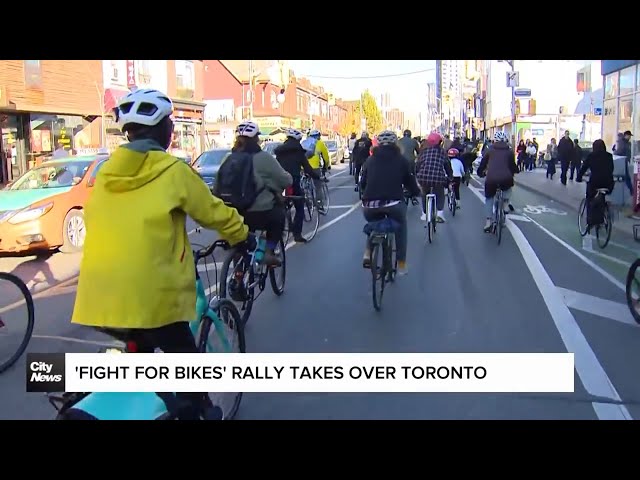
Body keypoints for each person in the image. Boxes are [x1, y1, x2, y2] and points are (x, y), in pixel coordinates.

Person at [71, 89, 251, 420]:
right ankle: (195, 410)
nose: (172, 129)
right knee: (186, 365)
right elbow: (213, 213)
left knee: (142, 354)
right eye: (170, 123)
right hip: (152, 299)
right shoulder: (173, 171)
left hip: (101, 299)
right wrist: (242, 235)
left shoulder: (106, 174)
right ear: (161, 130)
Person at [215, 121, 292, 266]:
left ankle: (238, 271)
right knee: (278, 216)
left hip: (233, 213)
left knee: (240, 244)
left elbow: (217, 184)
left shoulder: (228, 158)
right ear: (257, 138)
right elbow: (284, 180)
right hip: (259, 212)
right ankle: (268, 252)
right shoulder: (263, 157)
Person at [360, 130, 420, 275]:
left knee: (374, 223)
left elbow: (362, 183)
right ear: (396, 144)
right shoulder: (401, 160)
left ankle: (368, 252)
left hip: (369, 205)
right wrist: (415, 193)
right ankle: (401, 263)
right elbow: (410, 182)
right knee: (401, 225)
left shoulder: (370, 160)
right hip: (394, 204)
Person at [274, 128, 320, 243]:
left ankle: (279, 231)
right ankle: (297, 234)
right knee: (299, 206)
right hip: (292, 182)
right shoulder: (298, 151)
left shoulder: (279, 151)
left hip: (280, 183)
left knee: (280, 205)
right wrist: (317, 177)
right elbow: (308, 168)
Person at [477, 131, 518, 232]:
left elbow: (483, 164)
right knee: (508, 189)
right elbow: (512, 166)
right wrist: (516, 171)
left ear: (494, 140)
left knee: (489, 198)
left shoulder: (489, 150)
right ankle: (505, 204)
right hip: (506, 179)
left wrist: (480, 173)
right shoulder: (509, 151)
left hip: (491, 179)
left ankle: (488, 221)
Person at [576, 139, 614, 230]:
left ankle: (590, 221)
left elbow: (584, 168)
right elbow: (611, 169)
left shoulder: (591, 156)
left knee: (589, 198)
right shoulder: (609, 156)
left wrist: (579, 177)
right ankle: (602, 216)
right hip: (608, 183)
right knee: (602, 196)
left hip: (595, 182)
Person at [415, 132, 452, 223]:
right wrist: (450, 177)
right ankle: (440, 213)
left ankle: (424, 213)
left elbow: (418, 164)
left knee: (424, 193)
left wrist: (416, 173)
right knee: (440, 193)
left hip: (423, 177)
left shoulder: (424, 151)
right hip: (438, 178)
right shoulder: (442, 152)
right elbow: (447, 166)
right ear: (440, 142)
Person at [306, 129, 331, 206]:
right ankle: (319, 203)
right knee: (318, 186)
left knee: (305, 184)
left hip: (304, 167)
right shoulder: (320, 143)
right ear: (318, 136)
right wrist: (326, 167)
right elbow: (326, 157)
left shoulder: (305, 142)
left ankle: (306, 198)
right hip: (315, 168)